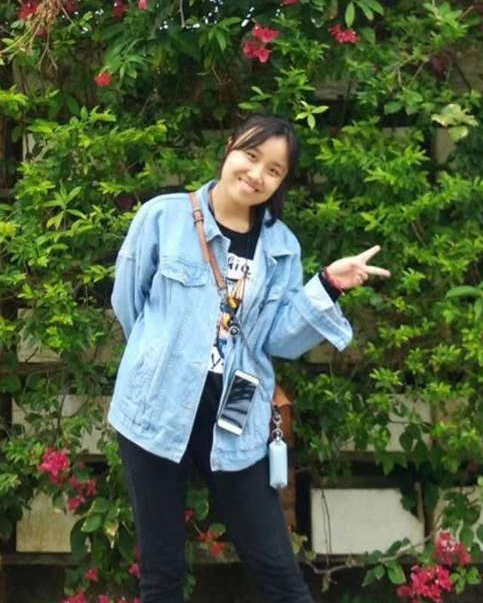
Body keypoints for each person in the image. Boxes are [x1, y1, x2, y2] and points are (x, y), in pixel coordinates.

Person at [108, 114, 390, 603]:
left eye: (274, 170)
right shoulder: (164, 218)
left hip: (236, 408)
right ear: (230, 146)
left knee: (278, 569)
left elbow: (278, 338)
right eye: (251, 156)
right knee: (162, 573)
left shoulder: (282, 248)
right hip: (156, 406)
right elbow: (129, 304)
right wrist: (161, 360)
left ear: (282, 181)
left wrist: (328, 284)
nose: (257, 174)